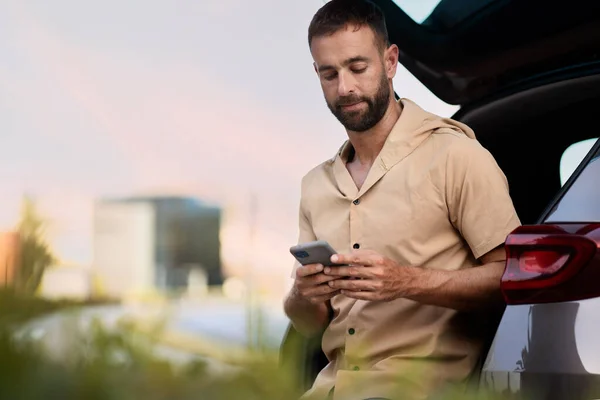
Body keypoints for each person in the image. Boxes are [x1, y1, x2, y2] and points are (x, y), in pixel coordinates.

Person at [283, 1, 521, 399]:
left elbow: (512, 279)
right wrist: (301, 295)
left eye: (358, 68)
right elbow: (310, 325)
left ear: (390, 61)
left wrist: (405, 281)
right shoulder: (315, 185)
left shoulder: (455, 156)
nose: (345, 88)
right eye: (329, 74)